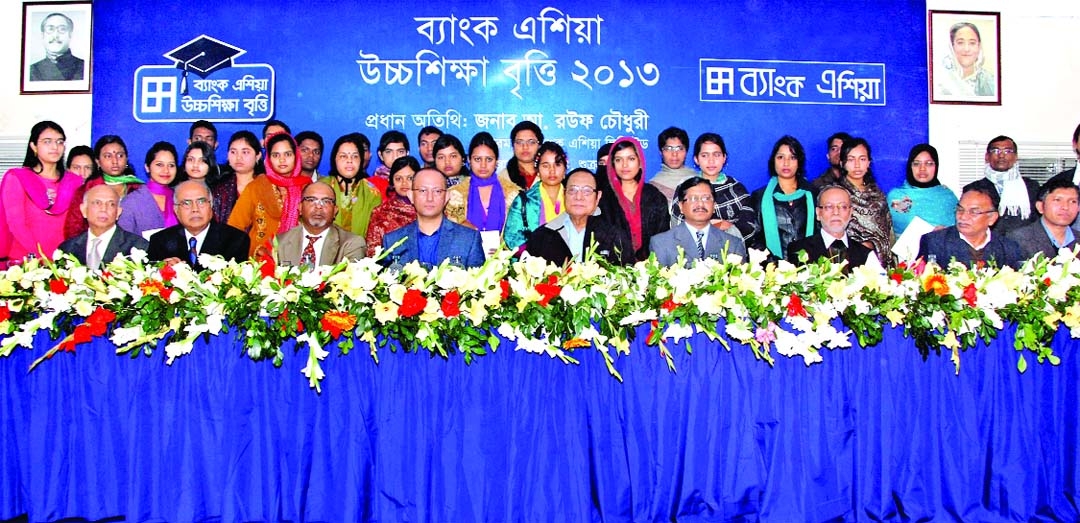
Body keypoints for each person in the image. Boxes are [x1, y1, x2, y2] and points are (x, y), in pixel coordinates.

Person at [0, 121, 84, 265]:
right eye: (47, 142)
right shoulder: (17, 178)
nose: (55, 147)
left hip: (64, 260)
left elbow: (78, 226)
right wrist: (41, 258)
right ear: (33, 146)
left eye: (60, 142)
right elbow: (17, 225)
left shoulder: (75, 182)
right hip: (26, 262)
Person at [524, 168, 634, 266]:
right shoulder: (542, 236)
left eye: (587, 191)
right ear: (564, 194)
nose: (578, 197)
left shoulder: (615, 236)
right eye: (572, 190)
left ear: (598, 196)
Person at [381, 168, 485, 268]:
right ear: (411, 196)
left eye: (437, 191)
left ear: (447, 197)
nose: (429, 198)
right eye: (422, 191)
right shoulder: (392, 241)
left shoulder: (469, 239)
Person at [228, 132, 310, 256]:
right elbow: (234, 227)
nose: (282, 160)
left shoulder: (308, 188)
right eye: (276, 155)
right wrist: (256, 249)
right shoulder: (257, 186)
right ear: (269, 158)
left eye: (287, 154)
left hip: (299, 259)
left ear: (296, 156)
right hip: (259, 261)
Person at [670, 133, 758, 244]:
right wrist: (718, 225)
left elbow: (749, 226)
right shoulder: (686, 187)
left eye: (716, 155)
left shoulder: (736, 189)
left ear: (724, 158)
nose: (711, 161)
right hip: (691, 254)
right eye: (705, 155)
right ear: (696, 159)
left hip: (732, 254)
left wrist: (714, 228)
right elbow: (677, 225)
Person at [445, 132, 519, 255]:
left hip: (504, 262)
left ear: (496, 162)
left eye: (489, 159)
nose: (483, 165)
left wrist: (503, 251)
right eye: (477, 159)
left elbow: (518, 236)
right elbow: (449, 234)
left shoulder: (513, 194)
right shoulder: (454, 194)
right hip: (464, 261)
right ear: (469, 160)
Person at [148, 181, 249, 271]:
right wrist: (162, 271)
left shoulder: (236, 240)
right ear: (176, 210)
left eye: (201, 201)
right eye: (186, 203)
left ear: (211, 205)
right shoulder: (159, 241)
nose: (195, 209)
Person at [601, 136, 670, 261]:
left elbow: (663, 237)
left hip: (650, 268)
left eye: (631, 159)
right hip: (613, 268)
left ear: (640, 162)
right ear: (612, 165)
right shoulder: (604, 198)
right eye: (618, 160)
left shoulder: (655, 196)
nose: (625, 165)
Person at [917, 185, 1021, 269]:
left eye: (974, 212)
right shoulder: (933, 243)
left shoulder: (1008, 248)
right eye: (960, 209)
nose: (963, 216)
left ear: (992, 218)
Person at [651, 177, 747, 267]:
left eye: (706, 198)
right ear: (681, 206)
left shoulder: (733, 244)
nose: (700, 204)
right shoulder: (661, 243)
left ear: (714, 206)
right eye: (693, 198)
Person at [64, 135, 143, 238]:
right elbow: (73, 230)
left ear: (126, 159)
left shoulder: (138, 189)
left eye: (120, 155)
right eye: (108, 156)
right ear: (98, 161)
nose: (115, 161)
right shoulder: (87, 190)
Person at [750, 135, 815, 259]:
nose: (786, 163)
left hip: (810, 267)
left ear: (799, 162)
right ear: (773, 161)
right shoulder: (759, 196)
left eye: (792, 157)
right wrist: (775, 267)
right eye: (780, 157)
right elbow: (755, 237)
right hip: (772, 271)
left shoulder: (813, 194)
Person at [787, 185, 878, 270]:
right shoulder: (798, 250)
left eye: (843, 207)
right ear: (818, 213)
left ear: (851, 213)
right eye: (829, 207)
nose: (836, 212)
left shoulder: (865, 254)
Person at [962, 135, 1039, 236]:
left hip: (1024, 246)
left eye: (1007, 151)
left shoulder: (1031, 186)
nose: (1001, 156)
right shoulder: (973, 188)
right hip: (988, 246)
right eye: (996, 151)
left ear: (1016, 157)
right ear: (987, 157)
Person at [276, 182, 366, 267]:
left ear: (335, 210)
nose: (318, 206)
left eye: (326, 201)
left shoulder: (351, 244)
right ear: (300, 207)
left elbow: (349, 281)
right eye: (311, 200)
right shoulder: (280, 242)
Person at [58, 184, 149, 268]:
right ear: (84, 210)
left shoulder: (139, 248)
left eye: (111, 204)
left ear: (118, 212)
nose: (104, 209)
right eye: (97, 203)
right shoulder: (67, 248)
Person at [504, 141, 569, 252]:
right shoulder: (523, 201)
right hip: (534, 265)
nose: (552, 170)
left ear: (565, 169)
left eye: (557, 164)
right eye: (545, 165)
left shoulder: (575, 198)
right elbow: (512, 239)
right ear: (537, 171)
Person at [838, 137, 894, 266]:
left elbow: (888, 230)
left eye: (862, 159)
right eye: (851, 159)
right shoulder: (837, 194)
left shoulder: (878, 193)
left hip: (883, 262)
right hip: (851, 262)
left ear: (869, 162)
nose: (857, 165)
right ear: (842, 163)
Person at [319, 133, 382, 238]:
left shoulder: (372, 193)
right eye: (343, 156)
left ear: (361, 160)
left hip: (360, 252)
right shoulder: (320, 187)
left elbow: (375, 234)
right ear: (334, 159)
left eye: (355, 156)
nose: (349, 160)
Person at [887, 144, 958, 235]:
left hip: (944, 248)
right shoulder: (896, 196)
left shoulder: (947, 196)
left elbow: (961, 229)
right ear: (910, 166)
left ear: (936, 166)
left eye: (929, 164)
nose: (922, 169)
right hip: (908, 248)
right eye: (916, 164)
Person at [117, 142, 179, 238]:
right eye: (159, 165)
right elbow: (124, 241)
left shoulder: (180, 197)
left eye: (171, 165)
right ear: (147, 167)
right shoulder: (131, 202)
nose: (166, 170)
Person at [1006, 179, 1080, 260]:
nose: (1065, 207)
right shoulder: (1018, 239)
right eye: (1057, 200)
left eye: (1073, 201)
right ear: (1040, 207)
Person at [366, 156, 419, 257]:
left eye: (410, 178)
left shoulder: (429, 208)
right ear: (392, 182)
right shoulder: (381, 212)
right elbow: (373, 254)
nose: (404, 183)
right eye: (398, 179)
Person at [935, 21, 996, 98]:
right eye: (960, 43)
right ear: (951, 46)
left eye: (972, 43)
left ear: (979, 46)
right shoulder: (941, 82)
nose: (966, 49)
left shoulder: (989, 81)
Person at [212, 131, 262, 223]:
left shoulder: (267, 188)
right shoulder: (219, 189)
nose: (239, 157)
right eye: (233, 152)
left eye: (245, 152)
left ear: (258, 156)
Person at [29, 13, 85, 82]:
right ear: (42, 35)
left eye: (62, 29)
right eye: (50, 29)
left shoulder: (85, 67)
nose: (55, 35)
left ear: (70, 35)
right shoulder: (31, 71)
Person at [649, 126, 697, 201]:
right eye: (668, 149)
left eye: (679, 149)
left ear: (686, 151)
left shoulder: (697, 180)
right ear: (661, 152)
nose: (674, 154)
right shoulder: (654, 186)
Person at [499, 121, 543, 192]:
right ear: (513, 146)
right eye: (519, 142)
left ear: (539, 146)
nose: (525, 147)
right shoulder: (503, 179)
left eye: (531, 142)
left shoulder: (548, 174)